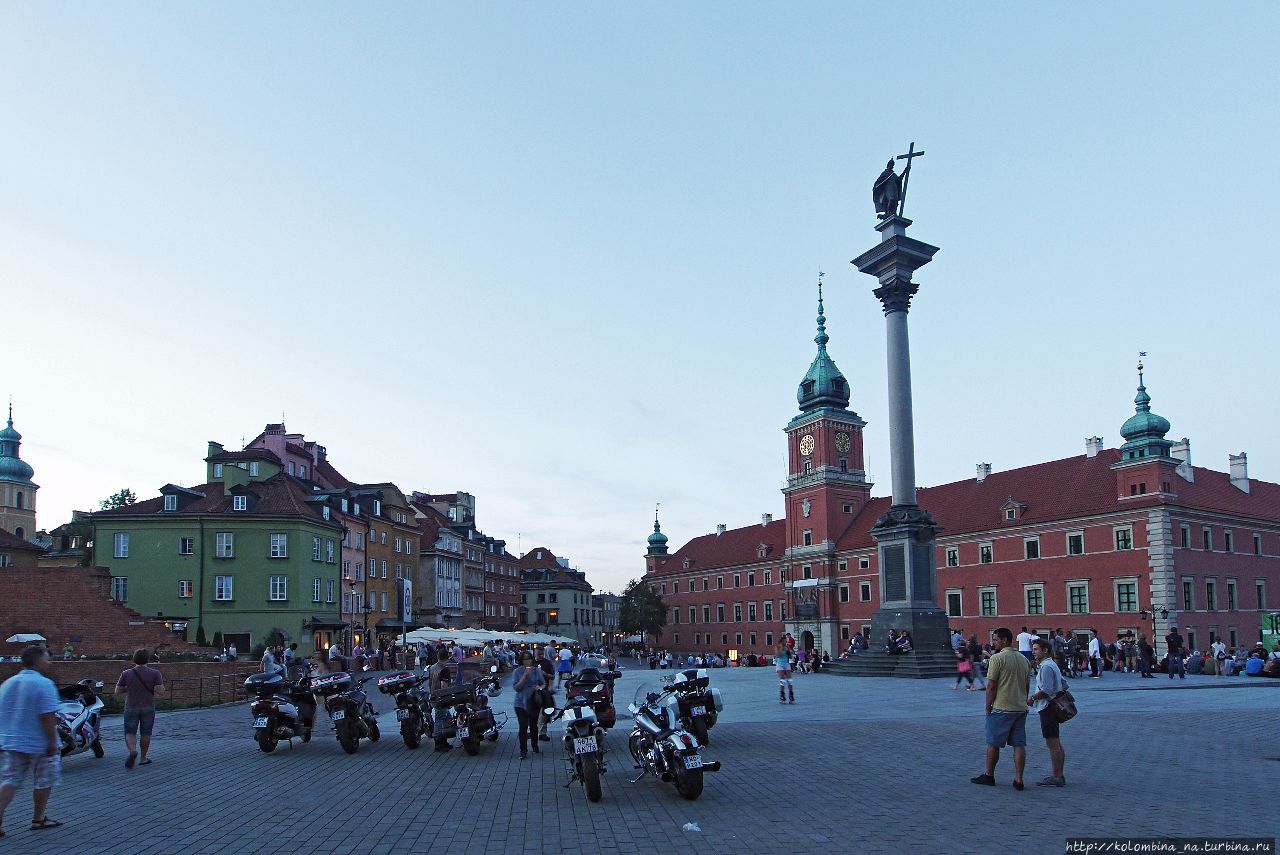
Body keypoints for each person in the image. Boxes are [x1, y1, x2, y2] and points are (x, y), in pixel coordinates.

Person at [0, 644, 63, 833]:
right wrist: (52, 741)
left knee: (11, 779)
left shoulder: (8, 683)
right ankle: (38, 818)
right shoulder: (44, 683)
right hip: (39, 742)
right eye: (47, 659)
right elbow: (47, 716)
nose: (49, 662)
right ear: (39, 661)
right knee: (44, 780)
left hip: (12, 740)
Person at [971, 627, 1031, 790]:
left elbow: (991, 686)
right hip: (1020, 708)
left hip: (1002, 707)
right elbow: (1027, 685)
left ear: (1005, 640)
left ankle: (989, 775)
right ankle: (1019, 780)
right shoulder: (1024, 660)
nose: (994, 642)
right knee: (1019, 744)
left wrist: (987, 706)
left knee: (993, 744)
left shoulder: (997, 659)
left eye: (996, 639)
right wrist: (1023, 701)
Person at [115, 647, 164, 769]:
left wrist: (129, 688)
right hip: (148, 706)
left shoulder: (126, 673)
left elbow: (117, 691)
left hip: (131, 706)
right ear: (147, 659)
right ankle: (143, 758)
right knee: (146, 733)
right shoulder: (155, 673)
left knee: (130, 731)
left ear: (134, 659)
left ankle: (132, 751)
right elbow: (160, 691)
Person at [1027, 638, 1067, 787]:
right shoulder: (1052, 665)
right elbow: (1064, 684)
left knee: (1052, 743)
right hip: (1052, 707)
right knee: (1056, 742)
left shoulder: (1045, 667)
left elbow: (1047, 690)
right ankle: (1059, 774)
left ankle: (1056, 776)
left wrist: (1032, 698)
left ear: (1045, 651)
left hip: (1047, 707)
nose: (1033, 652)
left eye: (1036, 649)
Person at [513, 651, 546, 760]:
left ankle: (534, 745)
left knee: (533, 725)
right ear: (521, 661)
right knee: (523, 726)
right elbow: (517, 687)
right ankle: (523, 750)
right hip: (520, 703)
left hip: (534, 702)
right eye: (525, 659)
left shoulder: (537, 671)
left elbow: (543, 683)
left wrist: (539, 688)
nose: (527, 661)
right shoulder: (517, 672)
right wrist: (525, 676)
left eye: (529, 659)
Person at [427, 649, 453, 752]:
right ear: (447, 657)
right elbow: (444, 686)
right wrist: (448, 698)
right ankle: (438, 743)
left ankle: (444, 741)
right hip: (441, 699)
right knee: (439, 720)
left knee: (447, 719)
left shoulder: (432, 667)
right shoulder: (444, 669)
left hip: (434, 696)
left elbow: (430, 682)